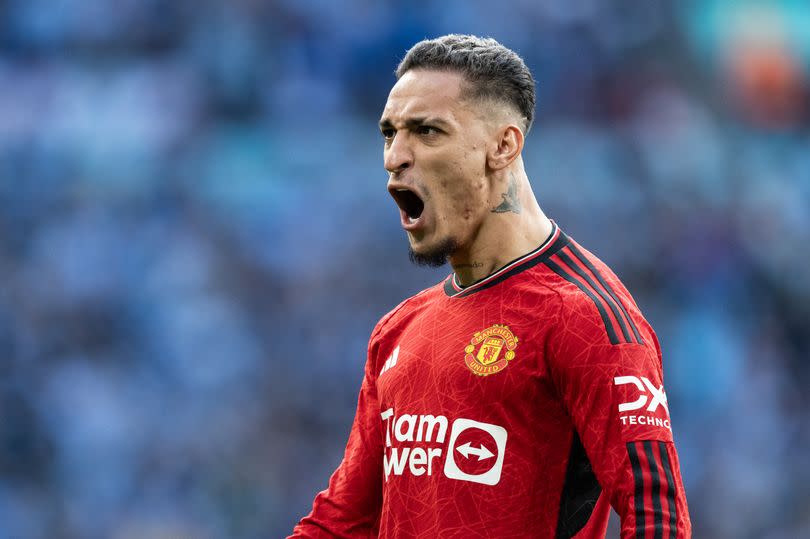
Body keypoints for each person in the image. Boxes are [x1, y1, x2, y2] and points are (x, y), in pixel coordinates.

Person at [290, 34, 691, 538]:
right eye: (389, 133)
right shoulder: (398, 331)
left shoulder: (582, 316)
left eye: (427, 131)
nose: (395, 156)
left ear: (503, 146)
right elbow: (340, 523)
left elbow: (657, 518)